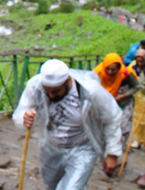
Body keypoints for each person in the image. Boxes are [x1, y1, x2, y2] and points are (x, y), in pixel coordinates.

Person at [14, 59, 122, 189]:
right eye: (47, 91)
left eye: (56, 91)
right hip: (50, 148)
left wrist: (112, 153)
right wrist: (25, 118)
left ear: (68, 81)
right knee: (51, 187)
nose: (51, 95)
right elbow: (22, 111)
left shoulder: (91, 91)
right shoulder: (35, 85)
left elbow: (112, 118)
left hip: (82, 149)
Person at [94, 53, 141, 147]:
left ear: (119, 68)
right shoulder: (97, 73)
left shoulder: (126, 73)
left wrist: (123, 95)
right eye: (108, 69)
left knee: (123, 129)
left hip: (125, 104)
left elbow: (137, 86)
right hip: (106, 106)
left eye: (113, 70)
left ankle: (119, 153)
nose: (110, 72)